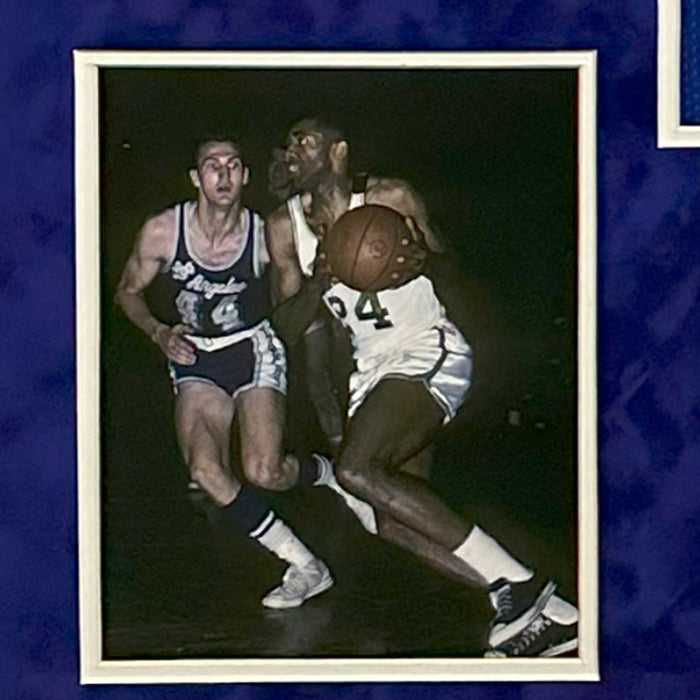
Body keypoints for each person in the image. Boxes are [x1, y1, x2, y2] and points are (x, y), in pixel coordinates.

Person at [265, 117, 579, 657]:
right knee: (389, 521)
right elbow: (287, 328)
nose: (293, 149)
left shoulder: (389, 197)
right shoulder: (282, 226)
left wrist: (421, 259)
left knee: (356, 470)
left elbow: (452, 266)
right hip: (372, 370)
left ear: (338, 152)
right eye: (289, 142)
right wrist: (318, 283)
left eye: (306, 140)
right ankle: (550, 612)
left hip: (426, 349)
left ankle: (521, 585)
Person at [114, 135, 333, 610]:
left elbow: (292, 304)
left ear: (245, 177)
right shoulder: (162, 231)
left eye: (233, 165)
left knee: (264, 472)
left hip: (252, 347)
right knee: (205, 471)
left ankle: (324, 472)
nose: (224, 174)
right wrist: (158, 332)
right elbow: (126, 292)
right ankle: (305, 565)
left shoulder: (263, 235)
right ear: (196, 178)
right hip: (195, 355)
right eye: (212, 165)